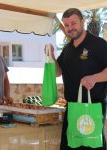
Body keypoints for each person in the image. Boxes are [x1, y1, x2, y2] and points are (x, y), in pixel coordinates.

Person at [50, 8, 107, 149]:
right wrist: (51, 57)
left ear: (83, 22)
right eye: (67, 25)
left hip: (93, 108)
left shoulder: (99, 44)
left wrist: (94, 77)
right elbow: (58, 72)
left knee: (91, 146)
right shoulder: (67, 49)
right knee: (70, 145)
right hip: (72, 108)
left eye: (73, 23)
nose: (70, 28)